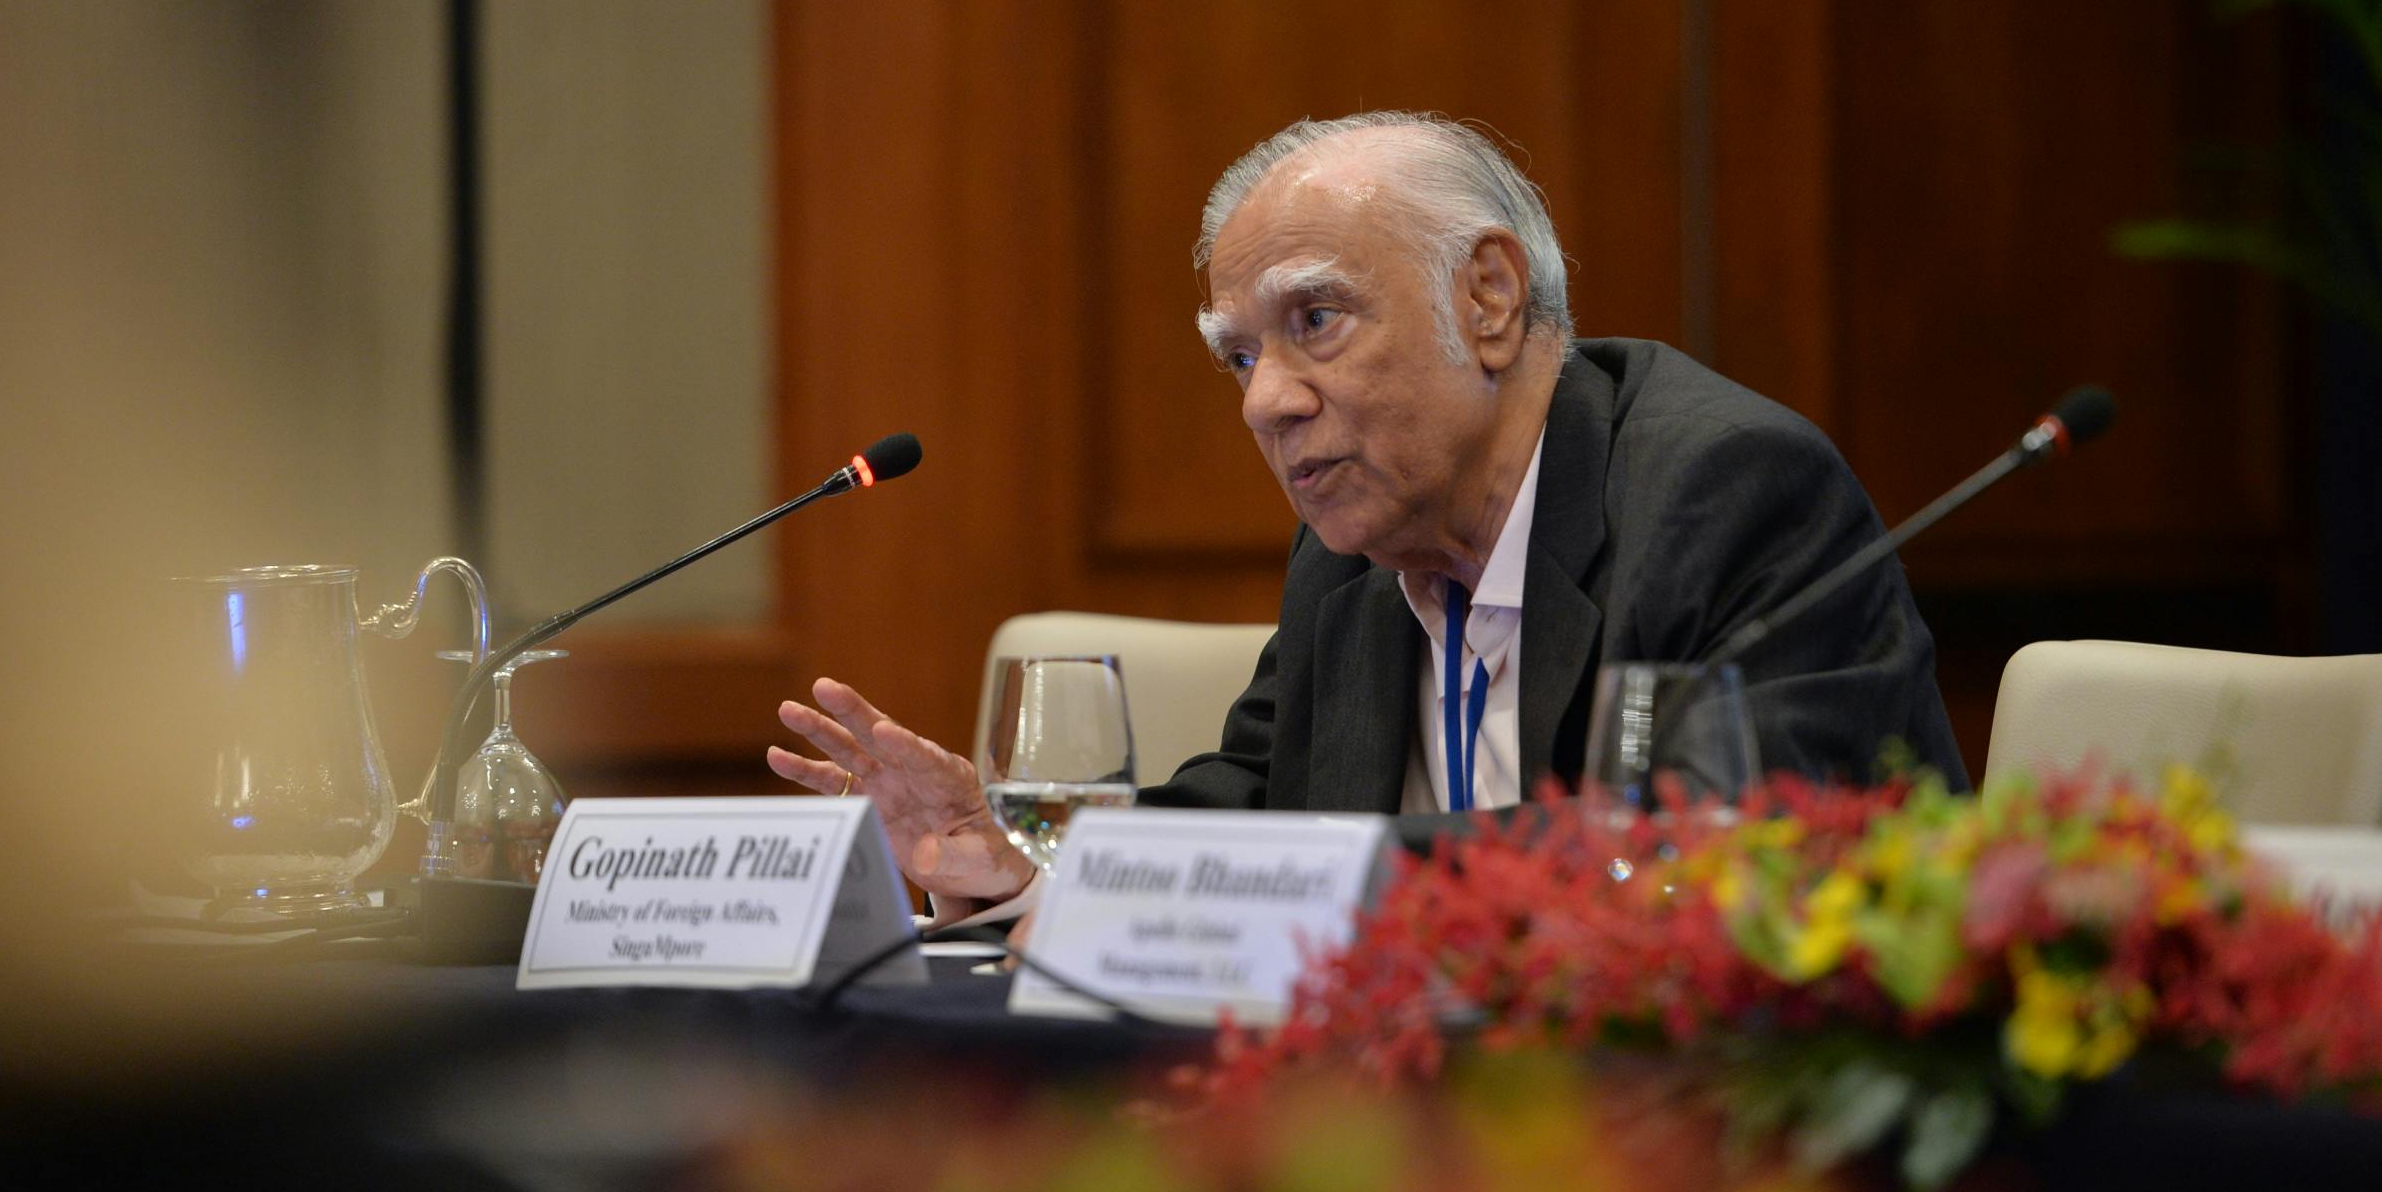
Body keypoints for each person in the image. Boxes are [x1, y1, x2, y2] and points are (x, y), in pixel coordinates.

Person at [768, 112, 1966, 921]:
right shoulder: (1359, 540)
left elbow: (1713, 858)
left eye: (1315, 322)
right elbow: (1256, 794)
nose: (1266, 403)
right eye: (1236, 355)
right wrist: (1029, 858)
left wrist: (1307, 881)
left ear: (1489, 298)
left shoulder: (1726, 488)